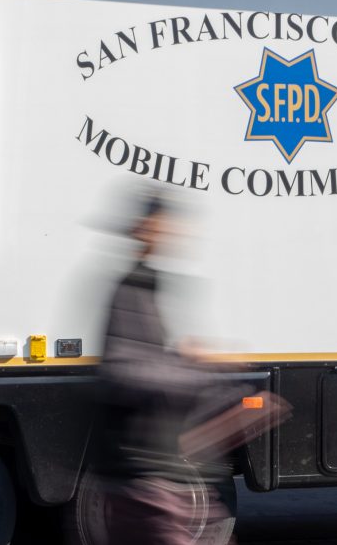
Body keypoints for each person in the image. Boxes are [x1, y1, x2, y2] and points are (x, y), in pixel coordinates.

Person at [92, 193, 240, 545]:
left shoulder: (147, 282)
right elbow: (124, 368)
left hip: (161, 477)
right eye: (166, 226)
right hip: (145, 481)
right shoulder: (132, 286)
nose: (176, 234)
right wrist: (196, 366)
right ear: (147, 229)